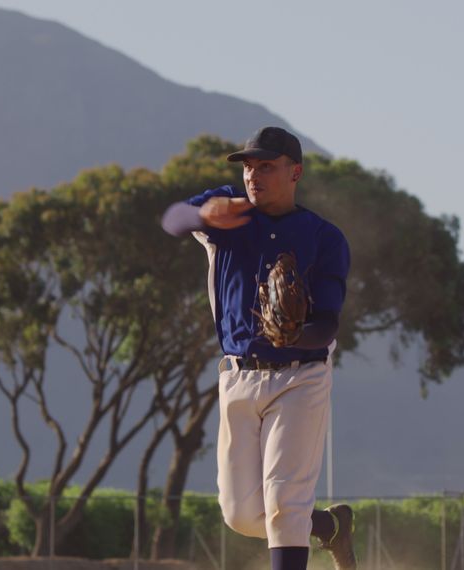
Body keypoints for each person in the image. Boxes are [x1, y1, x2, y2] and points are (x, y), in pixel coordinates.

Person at [161, 126, 355, 570]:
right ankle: (329, 527)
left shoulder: (324, 238)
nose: (253, 174)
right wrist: (203, 212)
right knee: (243, 515)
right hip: (238, 377)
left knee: (285, 505)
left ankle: (308, 527)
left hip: (299, 376)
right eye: (249, 165)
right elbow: (172, 221)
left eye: (266, 166)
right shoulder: (229, 217)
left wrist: (294, 335)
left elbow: (326, 324)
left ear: (295, 172)